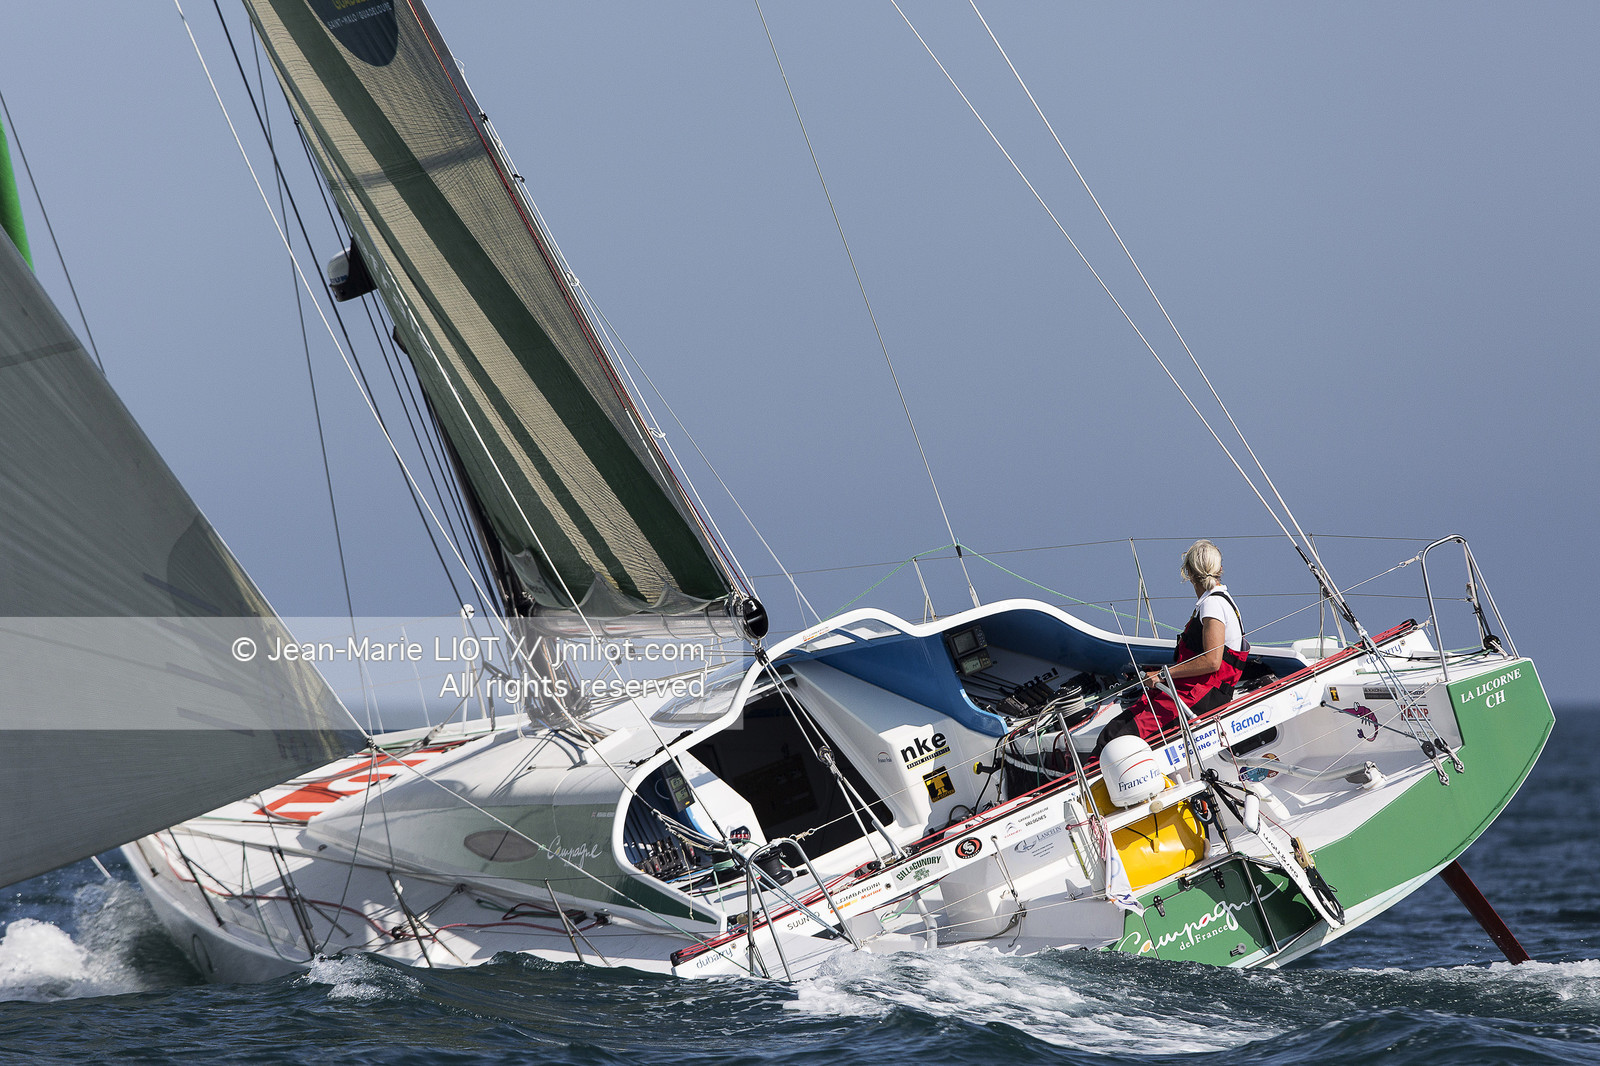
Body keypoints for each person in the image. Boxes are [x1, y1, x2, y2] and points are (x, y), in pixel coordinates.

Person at [1094, 539, 1248, 757]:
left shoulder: (1212, 604)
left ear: (1187, 572)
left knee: (1117, 744)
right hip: (1189, 692)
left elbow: (1212, 661)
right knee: (1111, 734)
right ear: (1220, 569)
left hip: (1198, 697)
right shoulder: (1219, 602)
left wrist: (1163, 674)